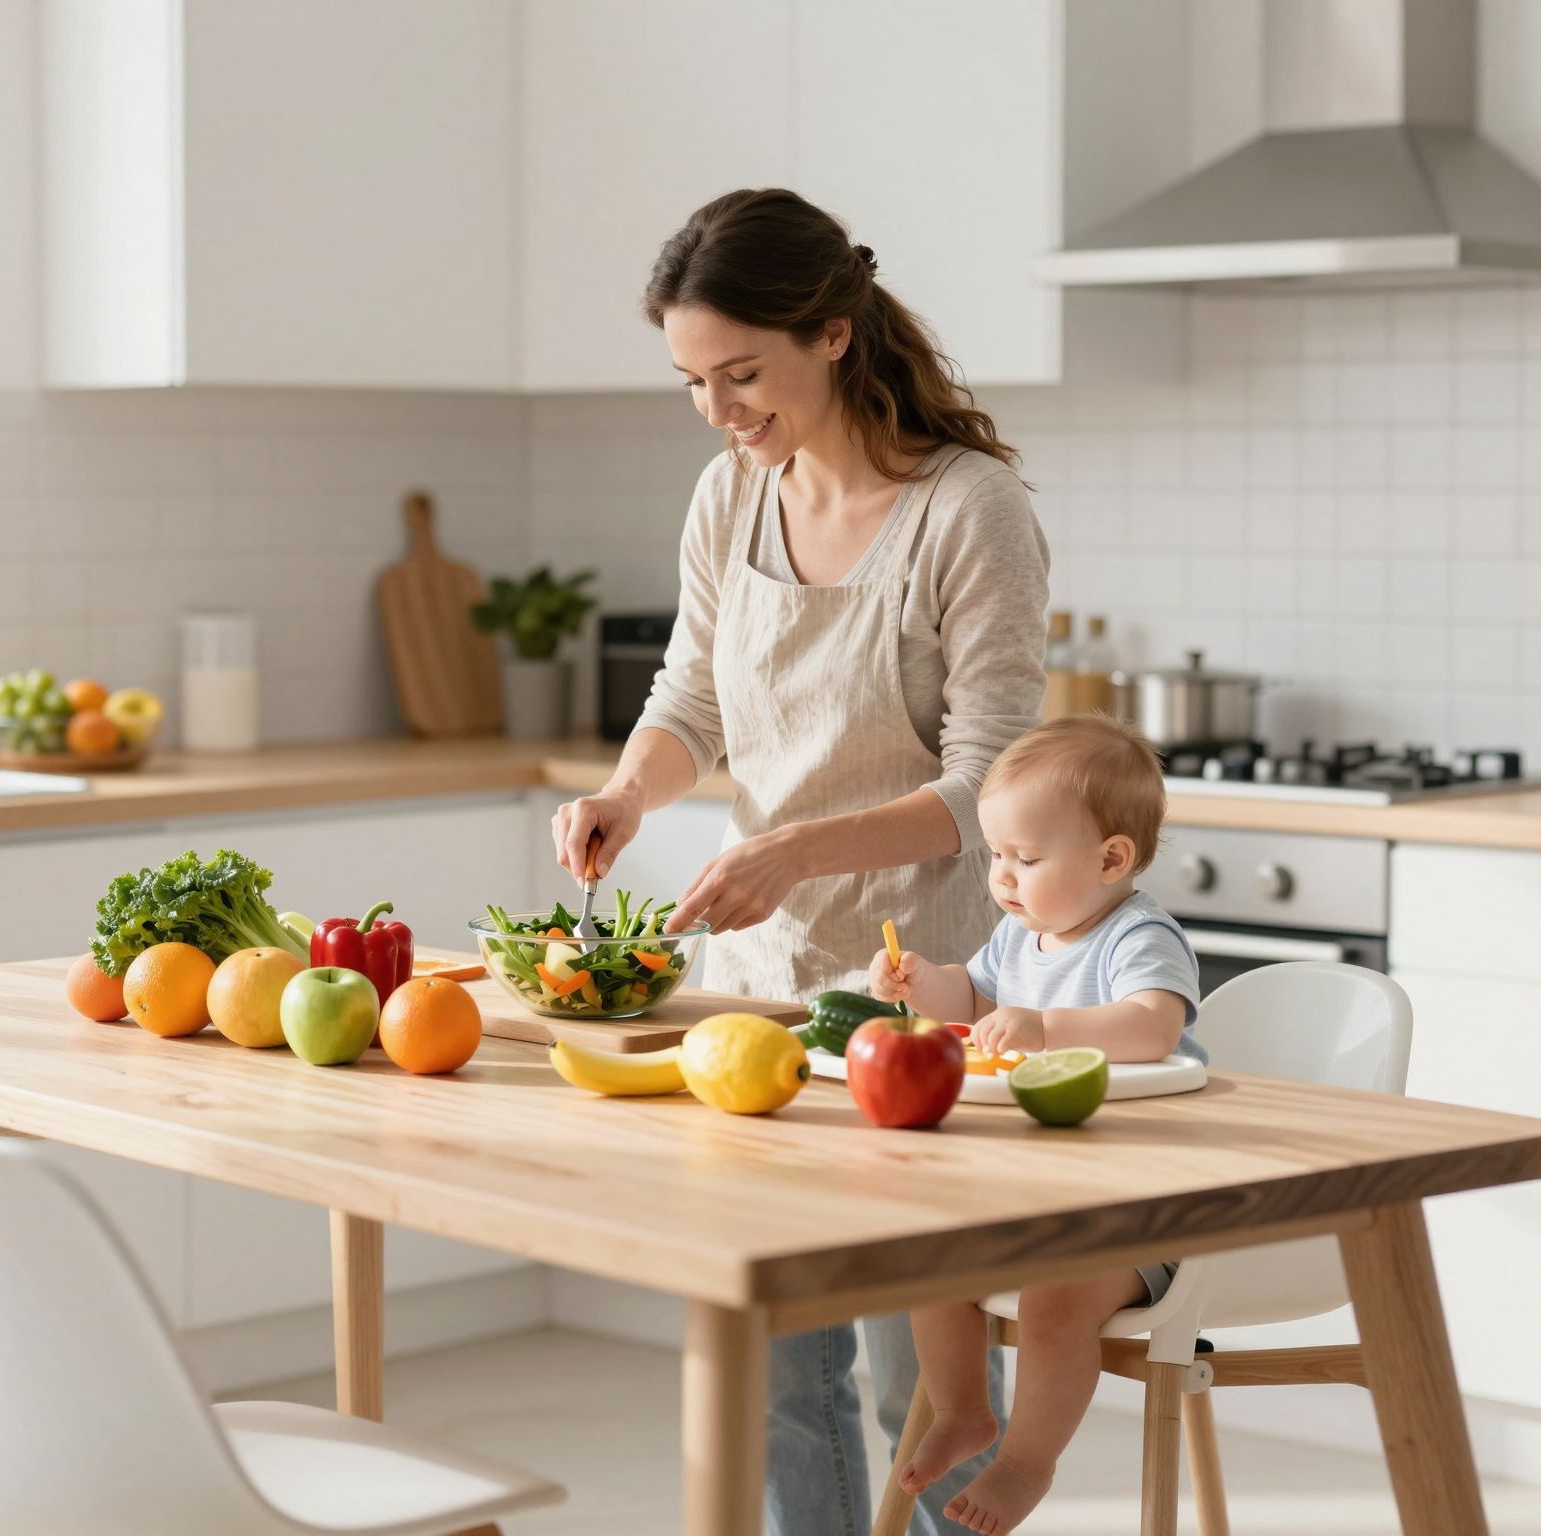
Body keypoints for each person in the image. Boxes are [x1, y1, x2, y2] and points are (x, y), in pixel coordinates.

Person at [549, 187, 1049, 1535]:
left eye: (740, 374)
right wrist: (626, 791)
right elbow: (688, 699)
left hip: (921, 994)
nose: (716, 411)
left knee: (924, 1385)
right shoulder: (730, 495)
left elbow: (991, 783)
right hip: (756, 988)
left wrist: (797, 848)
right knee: (780, 1378)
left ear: (832, 333)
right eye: (691, 382)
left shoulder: (968, 510)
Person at [867, 714, 1204, 1534]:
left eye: (1025, 858)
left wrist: (1046, 1027)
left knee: (1056, 1301)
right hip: (1041, 1203)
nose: (1004, 878)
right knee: (932, 1258)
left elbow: (1153, 1025)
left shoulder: (1137, 937)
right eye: (997, 857)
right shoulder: (1024, 936)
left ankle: (1025, 1462)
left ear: (1112, 860)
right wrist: (923, 983)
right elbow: (974, 999)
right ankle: (962, 1413)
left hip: (1143, 1213)